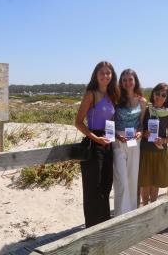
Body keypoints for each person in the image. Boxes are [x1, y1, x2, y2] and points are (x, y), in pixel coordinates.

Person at [75, 61, 119, 227]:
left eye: (108, 73)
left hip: (108, 141)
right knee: (93, 188)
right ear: (96, 75)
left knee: (106, 186)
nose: (105, 75)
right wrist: (96, 138)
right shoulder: (91, 94)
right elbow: (78, 122)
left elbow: (111, 120)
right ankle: (92, 228)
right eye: (102, 72)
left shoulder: (112, 95)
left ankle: (104, 225)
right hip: (94, 143)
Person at [113, 69, 146, 216]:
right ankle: (120, 214)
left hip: (134, 141)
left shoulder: (142, 101)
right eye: (124, 80)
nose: (127, 82)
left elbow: (141, 124)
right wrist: (115, 135)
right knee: (121, 179)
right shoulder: (115, 99)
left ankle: (131, 213)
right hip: (118, 141)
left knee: (133, 177)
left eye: (130, 79)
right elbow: (110, 122)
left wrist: (139, 132)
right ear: (121, 82)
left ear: (135, 80)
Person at [138, 83, 168, 205]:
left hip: (160, 151)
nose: (160, 96)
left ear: (166, 97)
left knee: (155, 183)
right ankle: (144, 208)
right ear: (153, 94)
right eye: (157, 93)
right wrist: (144, 133)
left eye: (163, 95)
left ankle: (152, 208)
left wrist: (163, 141)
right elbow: (138, 128)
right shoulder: (146, 110)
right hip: (146, 151)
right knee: (145, 182)